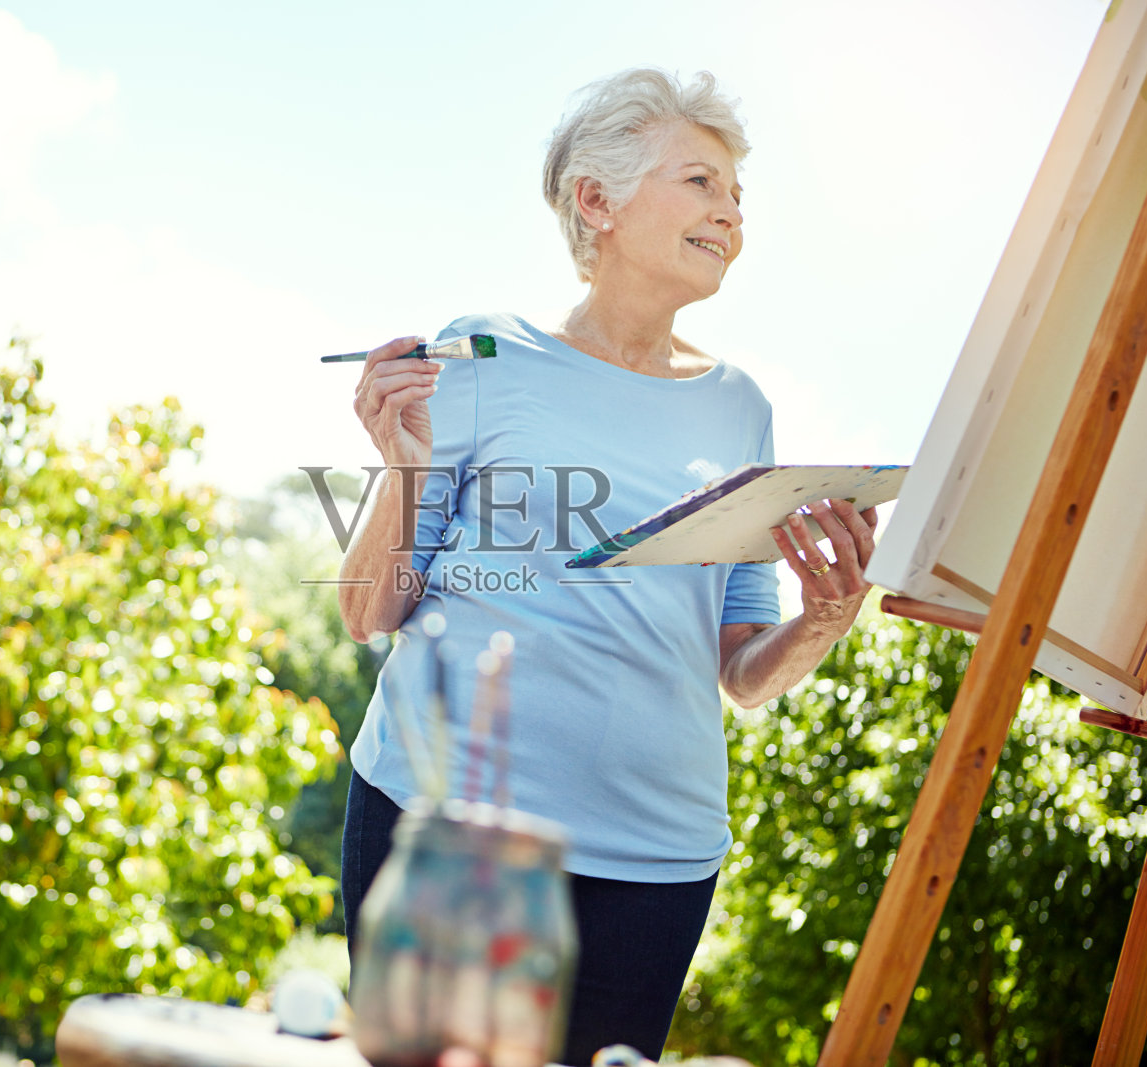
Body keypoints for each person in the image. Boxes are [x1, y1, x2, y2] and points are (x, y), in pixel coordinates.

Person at [336, 67, 878, 1065]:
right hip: (448, 827)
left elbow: (741, 672)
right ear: (597, 200)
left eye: (737, 193)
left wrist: (823, 618)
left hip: (654, 860)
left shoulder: (740, 408)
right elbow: (370, 613)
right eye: (701, 182)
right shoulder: (483, 356)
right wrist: (403, 471)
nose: (731, 212)